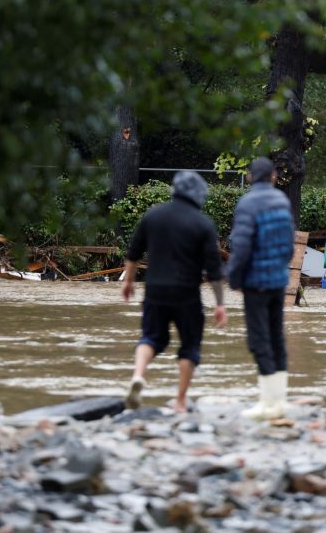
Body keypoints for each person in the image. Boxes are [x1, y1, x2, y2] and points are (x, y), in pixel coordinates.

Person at [121, 170, 227, 412]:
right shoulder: (203, 224)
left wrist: (128, 282)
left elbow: (133, 253)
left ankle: (138, 375)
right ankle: (180, 401)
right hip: (186, 293)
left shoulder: (153, 215)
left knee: (151, 337)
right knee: (190, 345)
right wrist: (220, 304)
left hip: (155, 290)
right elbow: (214, 271)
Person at [226, 157, 295, 420]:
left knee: (258, 340)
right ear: (274, 176)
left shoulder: (249, 203)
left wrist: (234, 278)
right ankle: (280, 401)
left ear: (250, 177)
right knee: (276, 337)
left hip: (256, 282)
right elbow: (289, 245)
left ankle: (267, 403)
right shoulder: (282, 201)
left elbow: (241, 245)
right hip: (278, 280)